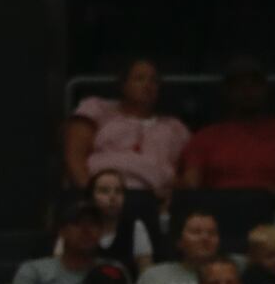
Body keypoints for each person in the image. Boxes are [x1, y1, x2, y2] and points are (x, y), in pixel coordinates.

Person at [179, 58, 275, 195]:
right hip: (219, 209)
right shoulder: (205, 136)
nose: (247, 90)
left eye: (254, 84)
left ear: (265, 88)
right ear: (227, 91)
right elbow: (191, 182)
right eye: (239, 85)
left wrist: (260, 198)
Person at [63, 56, 190, 195]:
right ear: (123, 84)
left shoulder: (175, 127)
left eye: (154, 81)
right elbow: (74, 157)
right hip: (99, 194)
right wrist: (90, 194)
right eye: (139, 79)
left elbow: (186, 176)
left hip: (152, 200)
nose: (148, 85)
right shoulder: (97, 109)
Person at [132, 209, 222, 284]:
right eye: (196, 232)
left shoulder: (236, 268)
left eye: (212, 233)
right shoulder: (154, 275)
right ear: (179, 241)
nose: (205, 238)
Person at [80, 168, 154, 276]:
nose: (112, 197)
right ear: (91, 197)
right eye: (104, 191)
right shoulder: (77, 226)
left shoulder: (135, 226)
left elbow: (146, 272)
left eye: (118, 191)